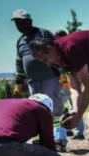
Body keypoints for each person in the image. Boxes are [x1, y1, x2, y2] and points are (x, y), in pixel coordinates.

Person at [11, 9, 68, 148]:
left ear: (30, 21)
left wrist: (63, 74)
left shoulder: (43, 33)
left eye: (22, 22)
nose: (20, 25)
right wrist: (18, 84)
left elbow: (57, 52)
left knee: (54, 108)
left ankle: (59, 139)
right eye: (17, 23)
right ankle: (42, 139)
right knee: (36, 110)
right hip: (32, 81)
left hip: (49, 77)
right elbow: (19, 63)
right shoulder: (20, 41)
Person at [54, 30, 85, 140]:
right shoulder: (58, 51)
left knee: (74, 105)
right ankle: (68, 129)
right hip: (63, 80)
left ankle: (78, 131)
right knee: (62, 105)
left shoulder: (68, 50)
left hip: (71, 80)